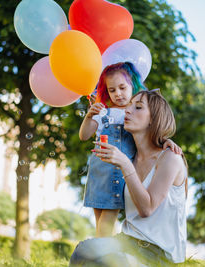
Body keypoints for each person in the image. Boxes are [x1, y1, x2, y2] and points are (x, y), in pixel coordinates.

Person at [71, 90, 188, 266]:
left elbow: (146, 209)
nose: (127, 110)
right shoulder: (131, 156)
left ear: (153, 119)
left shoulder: (170, 157)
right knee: (83, 250)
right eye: (129, 105)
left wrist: (125, 165)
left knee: (107, 263)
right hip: (127, 242)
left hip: (159, 255)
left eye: (138, 107)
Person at [79, 63, 181, 237]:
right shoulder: (104, 111)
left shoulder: (135, 112)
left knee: (108, 217)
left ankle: (99, 253)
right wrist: (89, 116)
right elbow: (84, 135)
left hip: (119, 170)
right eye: (112, 90)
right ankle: (100, 252)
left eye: (122, 87)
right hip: (98, 168)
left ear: (133, 85)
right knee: (98, 216)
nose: (118, 94)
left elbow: (152, 132)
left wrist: (166, 141)